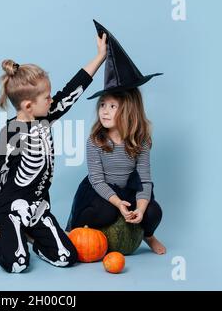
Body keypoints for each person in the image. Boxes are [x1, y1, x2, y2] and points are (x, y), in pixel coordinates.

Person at [0, 34, 107, 273]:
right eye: (47, 97)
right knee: (18, 264)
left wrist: (100, 57)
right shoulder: (10, 133)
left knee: (66, 257)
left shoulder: (46, 117)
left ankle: (33, 239)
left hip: (38, 207)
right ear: (29, 105)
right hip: (11, 209)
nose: (52, 100)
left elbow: (72, 91)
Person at [66, 20, 166, 255]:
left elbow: (145, 180)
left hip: (129, 189)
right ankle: (82, 233)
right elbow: (97, 180)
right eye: (102, 105)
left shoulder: (140, 141)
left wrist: (140, 208)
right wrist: (118, 204)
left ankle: (148, 236)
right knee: (105, 212)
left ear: (129, 110)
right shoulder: (96, 140)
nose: (104, 111)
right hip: (101, 190)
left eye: (112, 106)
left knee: (154, 211)